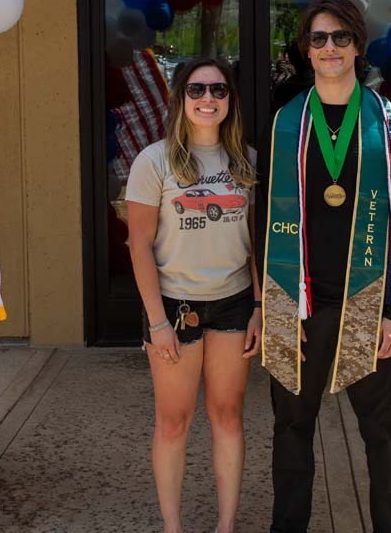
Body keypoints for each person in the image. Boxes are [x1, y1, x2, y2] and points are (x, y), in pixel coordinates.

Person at [258, 0, 391, 533]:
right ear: (306, 50)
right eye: (318, 39)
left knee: (382, 436)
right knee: (290, 432)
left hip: (370, 303)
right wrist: (265, 304)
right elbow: (263, 219)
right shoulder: (284, 123)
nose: (330, 48)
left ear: (358, 45)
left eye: (341, 37)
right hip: (295, 300)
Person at [126, 57, 263, 533]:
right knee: (173, 421)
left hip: (234, 303)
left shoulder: (245, 160)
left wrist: (260, 307)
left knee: (227, 416)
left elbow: (254, 243)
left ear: (230, 100)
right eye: (198, 89)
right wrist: (157, 321)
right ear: (181, 97)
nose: (208, 99)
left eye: (219, 90)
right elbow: (139, 244)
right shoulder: (154, 160)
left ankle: (226, 526)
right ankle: (173, 527)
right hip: (174, 306)